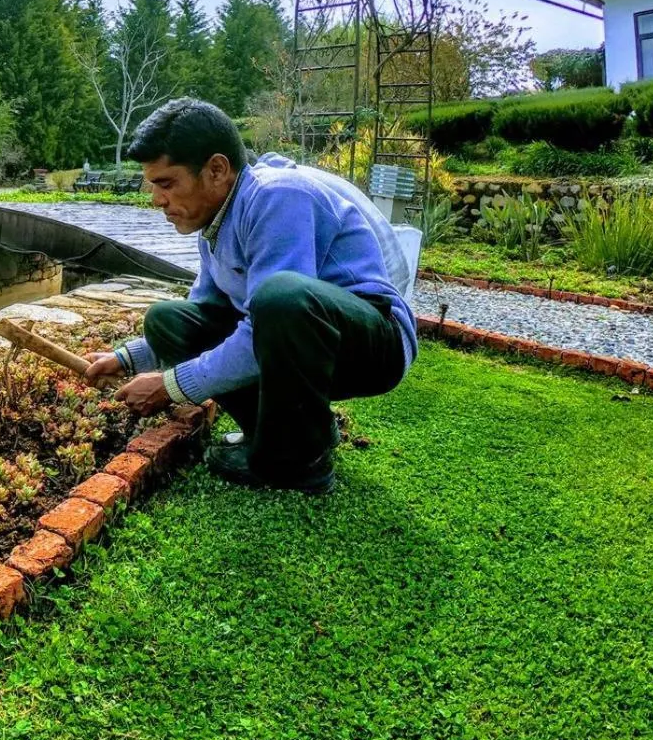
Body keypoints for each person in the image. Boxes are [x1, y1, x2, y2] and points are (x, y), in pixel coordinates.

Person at [83, 98, 417, 494]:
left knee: (281, 297)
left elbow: (273, 315)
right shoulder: (215, 224)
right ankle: (286, 433)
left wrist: (170, 386)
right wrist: (124, 359)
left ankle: (298, 463)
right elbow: (204, 313)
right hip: (299, 338)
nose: (156, 199)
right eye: (153, 185)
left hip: (375, 341)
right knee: (169, 321)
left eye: (166, 183)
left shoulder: (279, 197)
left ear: (217, 170)